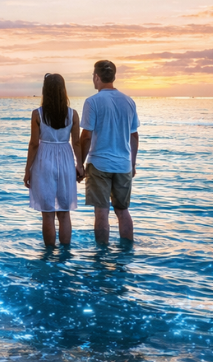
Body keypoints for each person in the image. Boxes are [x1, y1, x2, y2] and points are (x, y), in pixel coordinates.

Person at [79, 60, 140, 245]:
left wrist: (80, 163)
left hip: (99, 164)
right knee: (122, 211)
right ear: (113, 77)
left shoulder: (92, 101)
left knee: (101, 211)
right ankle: (126, 253)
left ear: (96, 77)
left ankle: (102, 255)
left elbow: (86, 136)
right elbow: (134, 136)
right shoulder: (129, 101)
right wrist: (132, 163)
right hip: (123, 164)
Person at [23, 73, 83, 247]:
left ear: (45, 91)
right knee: (64, 213)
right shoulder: (73, 114)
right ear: (63, 90)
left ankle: (49, 254)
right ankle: (65, 255)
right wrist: (80, 166)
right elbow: (77, 142)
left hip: (44, 160)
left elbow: (34, 144)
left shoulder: (37, 114)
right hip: (65, 159)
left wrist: (27, 170)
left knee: (47, 213)